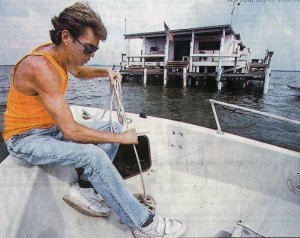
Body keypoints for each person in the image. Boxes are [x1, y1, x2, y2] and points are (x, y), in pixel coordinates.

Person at [3, 2, 185, 238]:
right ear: (66, 37)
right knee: (94, 154)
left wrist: (106, 72)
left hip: (49, 129)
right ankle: (143, 224)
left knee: (113, 125)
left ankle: (86, 188)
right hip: (24, 139)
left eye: (94, 51)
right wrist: (120, 139)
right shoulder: (40, 68)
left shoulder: (60, 54)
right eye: (88, 49)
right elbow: (70, 131)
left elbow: (78, 71)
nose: (91, 55)